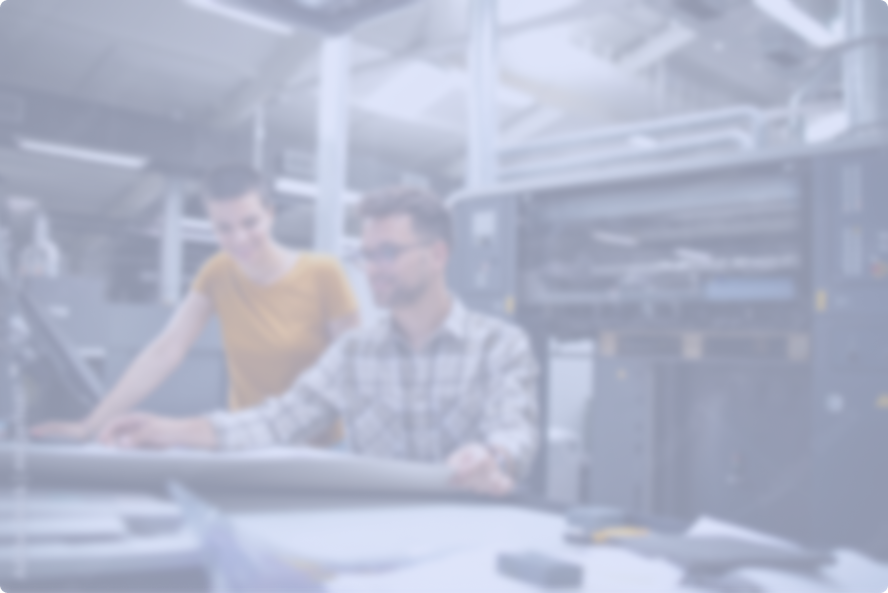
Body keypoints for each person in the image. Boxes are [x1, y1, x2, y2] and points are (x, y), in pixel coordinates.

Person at [100, 188, 539, 496]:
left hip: (465, 537)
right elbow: (278, 421)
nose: (371, 268)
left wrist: (491, 457)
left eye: (386, 252)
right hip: (382, 538)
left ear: (438, 254)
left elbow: (514, 430)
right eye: (365, 254)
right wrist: (171, 431)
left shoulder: (500, 345)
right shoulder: (353, 353)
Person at [33, 165, 358, 441]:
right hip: (249, 444)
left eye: (250, 222)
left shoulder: (324, 273)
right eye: (224, 228)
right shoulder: (217, 272)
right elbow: (166, 350)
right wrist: (89, 426)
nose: (239, 239)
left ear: (270, 215)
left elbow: (354, 368)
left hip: (322, 448)